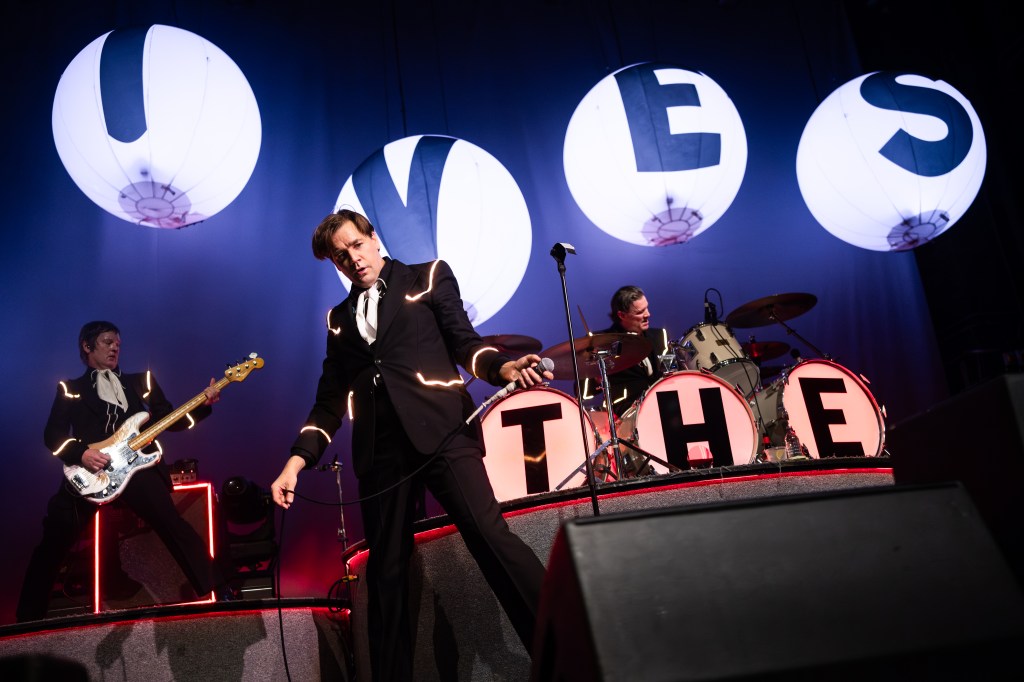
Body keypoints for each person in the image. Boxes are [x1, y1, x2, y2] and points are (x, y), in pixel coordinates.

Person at [270, 209, 550, 681]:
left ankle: (564, 647)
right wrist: (295, 463)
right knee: (387, 574)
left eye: (357, 245)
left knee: (489, 537)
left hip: (443, 432)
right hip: (381, 454)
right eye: (341, 256)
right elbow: (329, 401)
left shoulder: (428, 276)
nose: (353, 259)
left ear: (374, 238)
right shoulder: (338, 320)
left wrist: (501, 368)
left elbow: (465, 342)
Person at [16, 321, 232, 622]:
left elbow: (171, 420)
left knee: (172, 523)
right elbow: (52, 435)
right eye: (107, 342)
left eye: (118, 343)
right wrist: (82, 453)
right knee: (54, 537)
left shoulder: (141, 380)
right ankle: (27, 620)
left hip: (136, 468)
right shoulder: (70, 389)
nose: (115, 347)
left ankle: (220, 589)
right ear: (87, 346)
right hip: (89, 471)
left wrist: (203, 405)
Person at [582, 285, 671, 418]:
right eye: (640, 312)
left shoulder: (659, 336)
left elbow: (671, 372)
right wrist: (596, 378)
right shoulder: (601, 342)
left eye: (647, 308)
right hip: (625, 414)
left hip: (664, 407)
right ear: (622, 315)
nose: (648, 314)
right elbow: (582, 392)